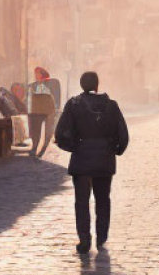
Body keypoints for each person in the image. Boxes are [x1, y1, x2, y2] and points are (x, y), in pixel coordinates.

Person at [55, 70, 128, 254]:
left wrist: (74, 148)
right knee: (103, 200)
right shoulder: (111, 106)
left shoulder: (73, 105)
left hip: (81, 160)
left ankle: (84, 239)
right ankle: (101, 237)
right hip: (105, 160)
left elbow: (60, 134)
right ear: (97, 85)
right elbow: (123, 135)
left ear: (81, 85)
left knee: (82, 202)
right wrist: (115, 150)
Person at [26, 66, 61, 157]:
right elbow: (29, 99)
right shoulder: (32, 85)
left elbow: (56, 96)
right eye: (35, 73)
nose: (36, 75)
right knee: (35, 132)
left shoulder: (53, 83)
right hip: (36, 111)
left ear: (42, 73)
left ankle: (43, 150)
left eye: (38, 73)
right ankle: (34, 148)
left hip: (48, 110)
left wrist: (57, 108)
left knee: (48, 132)